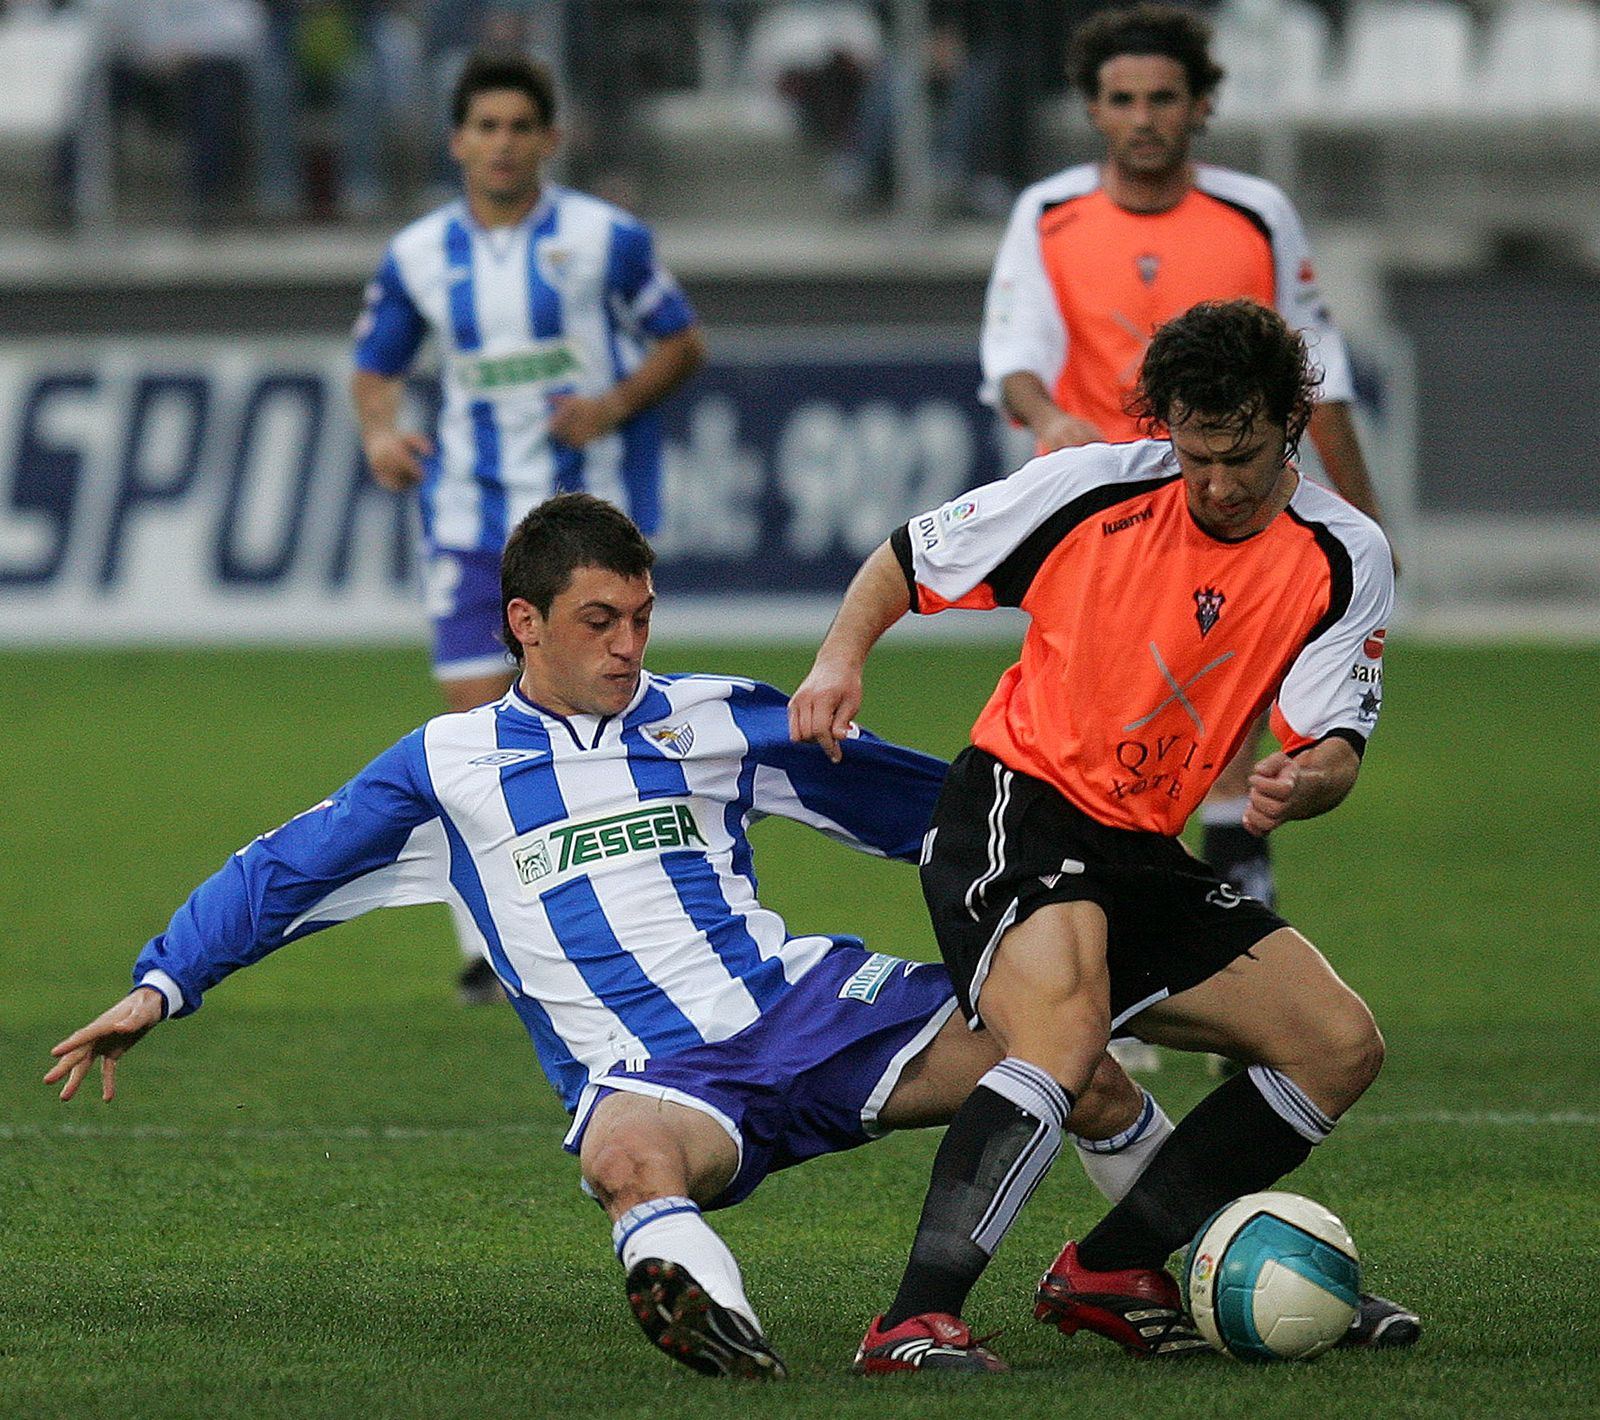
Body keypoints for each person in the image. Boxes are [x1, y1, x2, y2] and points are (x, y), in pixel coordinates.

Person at [44, 492, 1172, 1381]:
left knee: (1080, 1062)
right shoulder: (445, 764)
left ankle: (1202, 1258)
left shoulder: (712, 715)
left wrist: (1108, 872)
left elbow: (934, 808)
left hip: (808, 1008)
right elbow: (282, 871)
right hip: (660, 1082)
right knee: (622, 1163)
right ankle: (713, 1318)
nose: (629, 646)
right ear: (524, 623)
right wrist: (162, 984)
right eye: (600, 622)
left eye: (641, 619)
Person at [790, 299, 1417, 1373]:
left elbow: (1333, 746)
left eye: (1242, 455)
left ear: (1292, 427)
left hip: (1140, 850)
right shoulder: (1094, 487)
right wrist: (837, 660)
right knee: (1065, 1041)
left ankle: (1113, 1267)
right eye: (1194, 453)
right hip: (1016, 812)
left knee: (1337, 1043)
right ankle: (909, 1320)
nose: (1215, 482)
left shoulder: (1343, 554)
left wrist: (1307, 777)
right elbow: (905, 559)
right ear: (1164, 429)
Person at [979, 2, 1388, 934]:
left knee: (1225, 720)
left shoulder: (1257, 214)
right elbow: (1012, 354)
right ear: (1093, 110)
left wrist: (1365, 517)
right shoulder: (1047, 216)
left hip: (1236, 506)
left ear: (1201, 104)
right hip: (1112, 518)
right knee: (1107, 732)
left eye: (1164, 97)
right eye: (1123, 99)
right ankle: (1129, 956)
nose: (1145, 117)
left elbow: (1315, 368)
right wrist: (1052, 417)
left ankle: (1227, 947)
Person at [349, 50, 706, 1002]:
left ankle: (620, 913)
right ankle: (486, 949)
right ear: (458, 140)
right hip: (467, 517)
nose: (503, 144)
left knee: (600, 714)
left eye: (520, 127)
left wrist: (613, 402)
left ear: (550, 139)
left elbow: (681, 338)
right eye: (486, 127)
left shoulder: (606, 238)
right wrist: (382, 434)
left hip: (580, 524)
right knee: (474, 729)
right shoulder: (420, 254)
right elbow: (375, 364)